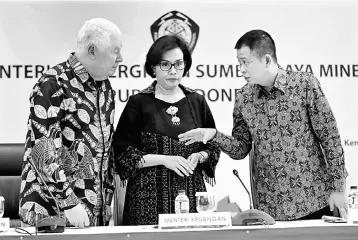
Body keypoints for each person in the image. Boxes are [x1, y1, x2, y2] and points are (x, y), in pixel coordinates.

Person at [178, 29, 348, 221]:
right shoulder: (244, 97)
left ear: (267, 60)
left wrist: (339, 187)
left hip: (315, 200)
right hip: (270, 208)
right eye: (238, 63)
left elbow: (330, 137)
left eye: (246, 62)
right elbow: (241, 149)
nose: (241, 69)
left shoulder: (304, 85)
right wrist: (213, 135)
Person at [19, 18, 123, 227]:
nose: (120, 58)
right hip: (52, 212)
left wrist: (108, 200)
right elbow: (42, 151)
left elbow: (105, 150)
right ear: (92, 51)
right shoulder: (53, 83)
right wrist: (68, 202)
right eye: (115, 51)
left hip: (94, 213)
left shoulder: (105, 88)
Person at [112, 34, 220, 225]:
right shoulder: (139, 103)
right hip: (146, 201)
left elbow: (213, 147)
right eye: (165, 64)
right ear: (153, 67)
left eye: (179, 64)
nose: (173, 71)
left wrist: (200, 156)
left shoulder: (197, 101)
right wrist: (164, 160)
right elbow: (122, 153)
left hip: (191, 197)